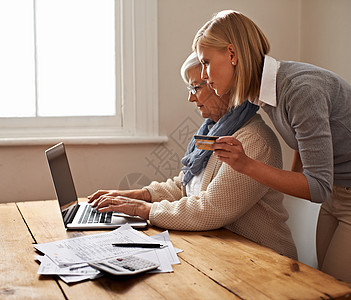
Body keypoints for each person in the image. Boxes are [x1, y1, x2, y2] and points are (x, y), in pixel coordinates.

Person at [88, 52, 297, 259]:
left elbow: (210, 209)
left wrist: (142, 209)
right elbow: (185, 187)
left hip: (265, 264)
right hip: (224, 256)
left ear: (222, 85)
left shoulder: (254, 141)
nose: (190, 97)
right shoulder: (214, 130)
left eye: (196, 87)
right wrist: (137, 195)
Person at [192, 10, 351, 282]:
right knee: (322, 282)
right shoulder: (263, 92)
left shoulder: (300, 90)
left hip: (341, 192)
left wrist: (247, 165)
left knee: (333, 288)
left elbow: (317, 188)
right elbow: (306, 142)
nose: (205, 75)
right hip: (336, 193)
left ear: (232, 53)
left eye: (206, 62)